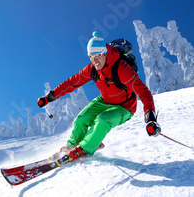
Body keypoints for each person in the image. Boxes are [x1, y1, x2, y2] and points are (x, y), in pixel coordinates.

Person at [37, 31, 161, 162]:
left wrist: (150, 117)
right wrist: (50, 97)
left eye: (98, 55)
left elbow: (143, 92)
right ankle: (71, 147)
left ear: (106, 52)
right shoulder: (92, 69)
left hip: (124, 107)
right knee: (81, 119)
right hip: (105, 101)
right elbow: (72, 82)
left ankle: (85, 149)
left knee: (103, 119)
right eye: (91, 56)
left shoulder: (122, 69)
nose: (95, 61)